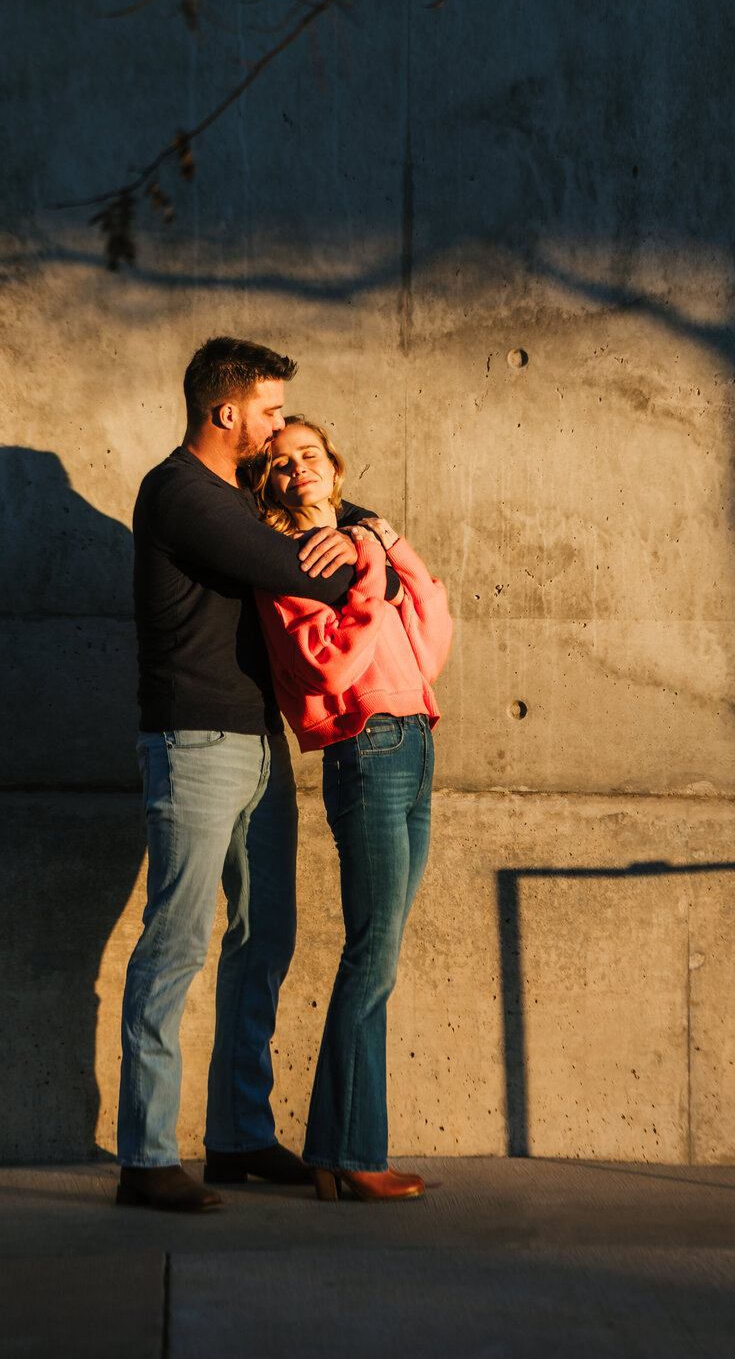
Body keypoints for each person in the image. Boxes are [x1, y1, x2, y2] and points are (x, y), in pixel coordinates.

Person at [117, 337, 396, 1213]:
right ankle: (147, 1158)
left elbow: (338, 520)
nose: (280, 430)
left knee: (262, 937)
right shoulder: (183, 495)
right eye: (271, 411)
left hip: (256, 742)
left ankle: (238, 1137)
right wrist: (368, 543)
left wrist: (362, 529)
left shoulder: (237, 498)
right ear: (225, 411)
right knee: (176, 945)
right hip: (193, 743)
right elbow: (298, 570)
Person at [252, 416, 452, 1203]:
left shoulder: (361, 548)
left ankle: (343, 1149)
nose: (297, 468)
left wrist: (383, 546)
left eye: (309, 454)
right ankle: (349, 1152)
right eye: (280, 462)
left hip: (415, 743)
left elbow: (430, 637)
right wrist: (365, 574)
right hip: (365, 747)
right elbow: (330, 660)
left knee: (382, 955)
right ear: (268, 485)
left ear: (334, 468)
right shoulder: (287, 560)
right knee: (371, 953)